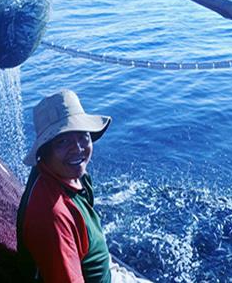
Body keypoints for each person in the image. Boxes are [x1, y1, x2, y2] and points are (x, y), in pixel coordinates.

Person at [17, 89, 151, 283]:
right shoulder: (53, 215)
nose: (78, 148)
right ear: (44, 151)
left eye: (83, 136)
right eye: (63, 141)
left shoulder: (70, 174)